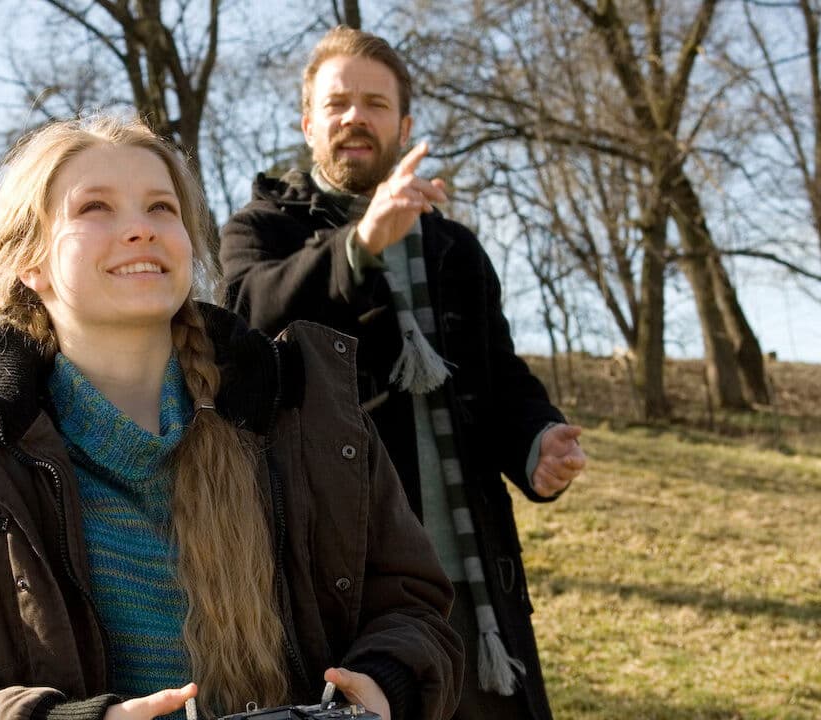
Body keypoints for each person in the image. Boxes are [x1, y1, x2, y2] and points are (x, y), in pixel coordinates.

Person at [0, 115, 461, 720]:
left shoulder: (311, 418)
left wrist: (385, 684)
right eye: (95, 208)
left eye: (161, 208)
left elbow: (412, 608)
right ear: (27, 262)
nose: (140, 229)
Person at [218, 26, 587, 720]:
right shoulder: (260, 229)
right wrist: (357, 247)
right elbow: (244, 321)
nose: (355, 118)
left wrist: (538, 442)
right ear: (308, 122)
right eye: (337, 104)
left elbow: (498, 376)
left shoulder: (454, 247)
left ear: (405, 124)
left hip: (470, 567)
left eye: (375, 104)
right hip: (337, 572)